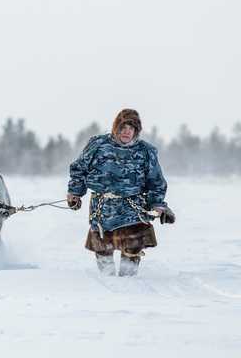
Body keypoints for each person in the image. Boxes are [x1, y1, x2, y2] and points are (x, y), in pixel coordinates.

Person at [67, 109, 175, 276]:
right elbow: (78, 168)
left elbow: (156, 181)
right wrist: (74, 193)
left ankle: (128, 283)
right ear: (116, 127)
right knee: (104, 254)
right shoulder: (98, 145)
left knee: (132, 249)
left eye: (131, 128)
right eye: (123, 127)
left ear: (136, 131)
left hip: (133, 209)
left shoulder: (146, 151)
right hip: (102, 209)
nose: (127, 131)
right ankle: (108, 285)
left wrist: (158, 204)